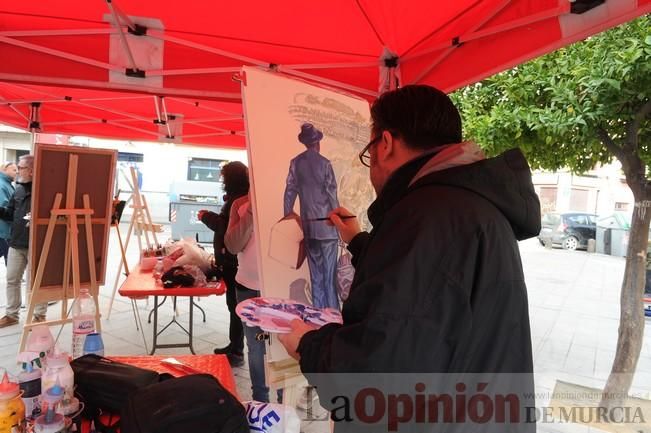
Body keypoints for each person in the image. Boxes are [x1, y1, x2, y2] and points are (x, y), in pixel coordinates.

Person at [279, 85, 540, 431]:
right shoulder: (470, 206)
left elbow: (380, 370)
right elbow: (432, 297)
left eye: (369, 153)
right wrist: (359, 242)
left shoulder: (425, 215)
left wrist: (309, 346)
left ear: (385, 143)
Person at [283, 123, 340, 309]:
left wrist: (288, 215)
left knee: (316, 277)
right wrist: (339, 224)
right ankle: (332, 316)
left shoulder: (295, 163)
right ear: (318, 143)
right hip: (328, 227)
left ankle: (319, 317)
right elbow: (332, 196)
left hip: (308, 227)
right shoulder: (325, 164)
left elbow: (290, 191)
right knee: (330, 277)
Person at [198, 161, 249, 367]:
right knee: (233, 305)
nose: (221, 180)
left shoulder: (238, 199)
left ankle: (236, 351)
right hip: (231, 260)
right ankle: (234, 345)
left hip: (233, 261)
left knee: (235, 305)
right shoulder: (240, 196)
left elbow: (226, 228)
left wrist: (205, 217)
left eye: (223, 176)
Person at [224, 191, 271, 402]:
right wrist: (252, 210)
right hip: (247, 287)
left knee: (279, 345)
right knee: (255, 345)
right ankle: (260, 400)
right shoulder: (240, 204)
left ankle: (283, 399)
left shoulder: (289, 194)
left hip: (278, 287)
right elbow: (233, 245)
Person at [0, 155, 47, 328]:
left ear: (32, 170)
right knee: (12, 279)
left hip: (37, 243)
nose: (18, 171)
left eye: (21, 168)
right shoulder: (18, 189)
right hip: (16, 242)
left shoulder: (45, 189)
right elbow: (10, 213)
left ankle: (39, 316)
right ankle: (12, 315)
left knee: (37, 282)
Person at [0, 162, 16, 266]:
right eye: (14, 170)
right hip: (4, 229)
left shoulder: (7, 184)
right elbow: (3, 208)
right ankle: (12, 279)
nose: (17, 172)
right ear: (4, 170)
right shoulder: (2, 185)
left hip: (5, 228)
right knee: (10, 258)